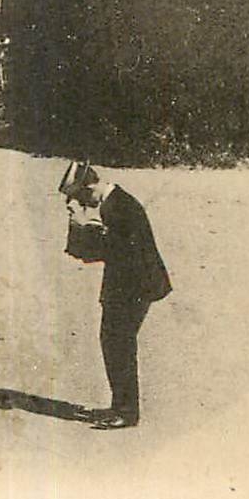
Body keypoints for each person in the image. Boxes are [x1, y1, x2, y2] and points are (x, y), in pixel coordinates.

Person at [63, 165, 172, 428]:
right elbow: (93, 251)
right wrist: (82, 228)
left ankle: (126, 412)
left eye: (79, 197)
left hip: (135, 287)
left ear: (90, 187)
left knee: (119, 343)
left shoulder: (120, 207)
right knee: (114, 342)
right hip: (128, 285)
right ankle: (120, 407)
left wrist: (85, 228)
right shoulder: (114, 203)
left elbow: (116, 251)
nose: (81, 203)